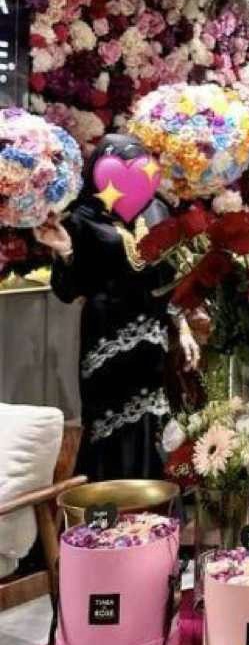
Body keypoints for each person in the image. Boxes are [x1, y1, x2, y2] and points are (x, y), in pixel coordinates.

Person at [33, 132, 199, 482]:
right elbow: (68, 290)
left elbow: (171, 276)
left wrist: (183, 326)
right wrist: (65, 253)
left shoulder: (157, 209)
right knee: (107, 422)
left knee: (153, 420)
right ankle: (106, 504)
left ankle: (154, 503)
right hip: (106, 338)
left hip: (152, 338)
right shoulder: (81, 217)